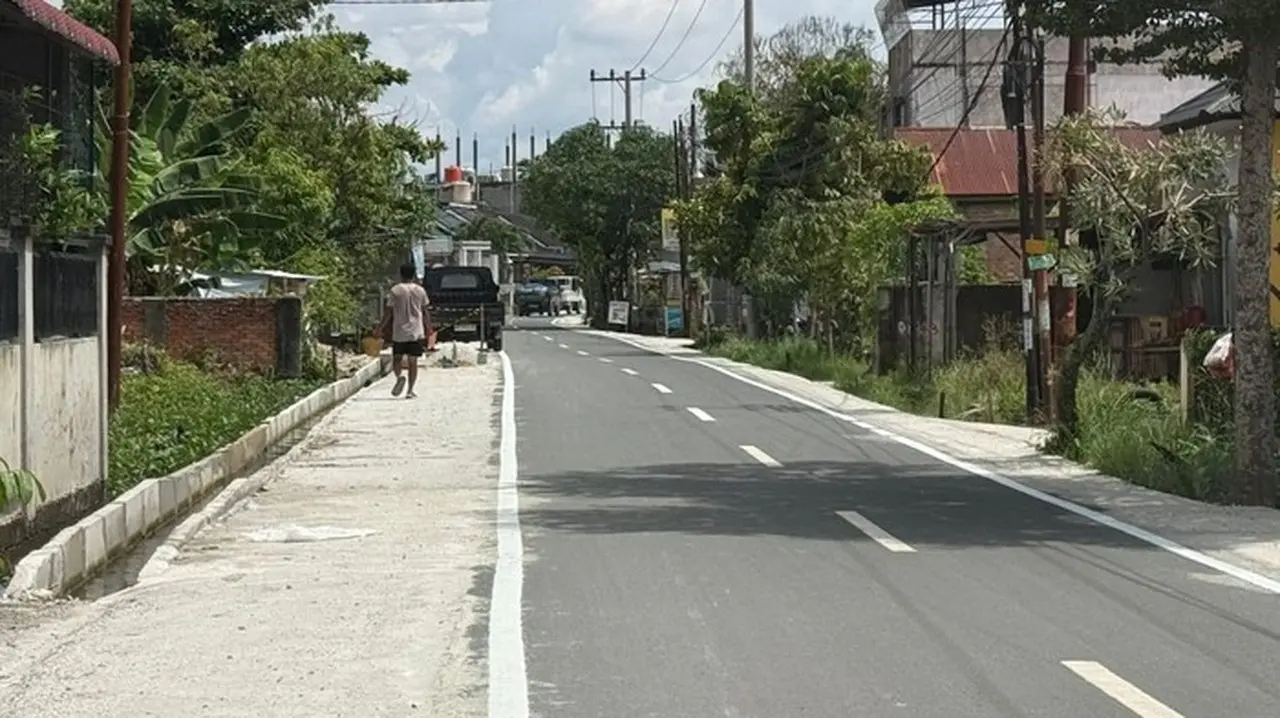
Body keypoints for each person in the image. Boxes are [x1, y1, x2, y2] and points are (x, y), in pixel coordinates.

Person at [382, 263, 430, 398]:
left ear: (401, 274)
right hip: (416, 331)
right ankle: (410, 390)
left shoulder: (395, 290)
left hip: (399, 331)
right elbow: (425, 311)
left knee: (397, 358)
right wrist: (429, 327)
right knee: (413, 362)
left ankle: (399, 376)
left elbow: (388, 312)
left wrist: (380, 328)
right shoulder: (420, 290)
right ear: (414, 274)